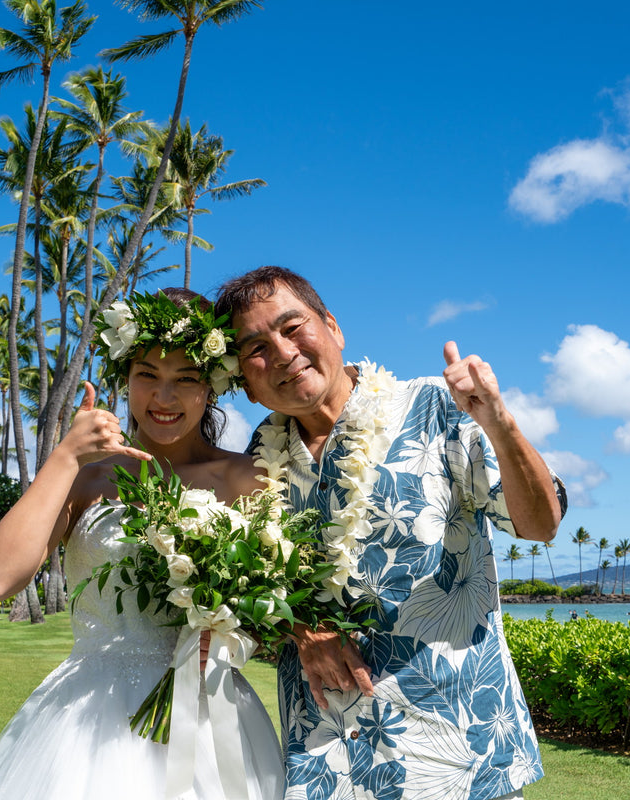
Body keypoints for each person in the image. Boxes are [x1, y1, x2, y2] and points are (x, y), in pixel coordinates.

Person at [216, 267, 567, 800]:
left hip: (456, 743)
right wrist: (302, 631)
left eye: (293, 327)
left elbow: (540, 525)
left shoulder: (432, 407)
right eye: (256, 348)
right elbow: (249, 593)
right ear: (245, 381)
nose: (283, 353)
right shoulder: (254, 465)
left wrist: (499, 422)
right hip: (326, 749)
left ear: (333, 328)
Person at [0, 288, 285, 800]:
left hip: (209, 715)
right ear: (124, 379)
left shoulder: (246, 478)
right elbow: (0, 578)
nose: (164, 398)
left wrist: (234, 635)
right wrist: (65, 458)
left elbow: (275, 612)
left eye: (186, 379)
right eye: (147, 376)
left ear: (213, 385)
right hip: (86, 717)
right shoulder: (86, 478)